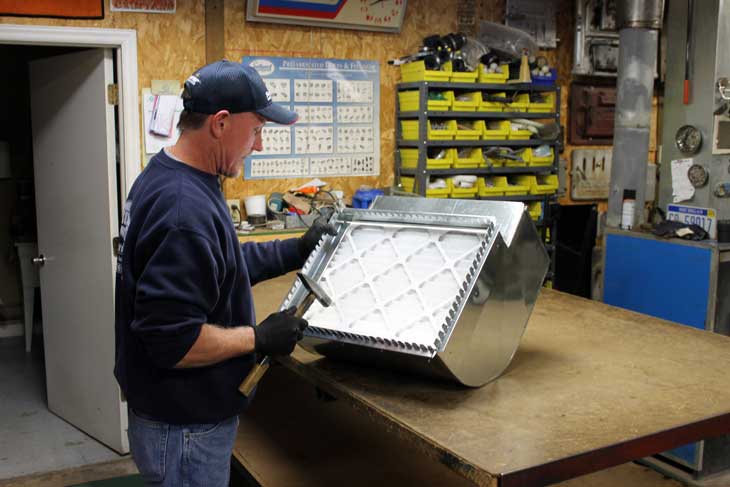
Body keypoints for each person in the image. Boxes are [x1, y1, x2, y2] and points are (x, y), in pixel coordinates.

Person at [114, 60, 334, 486]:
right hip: (182, 428)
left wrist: (298, 249)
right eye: (255, 131)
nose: (260, 145)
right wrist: (258, 337)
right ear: (220, 123)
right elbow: (171, 341)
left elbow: (220, 269)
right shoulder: (184, 209)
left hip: (174, 419)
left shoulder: (172, 177)